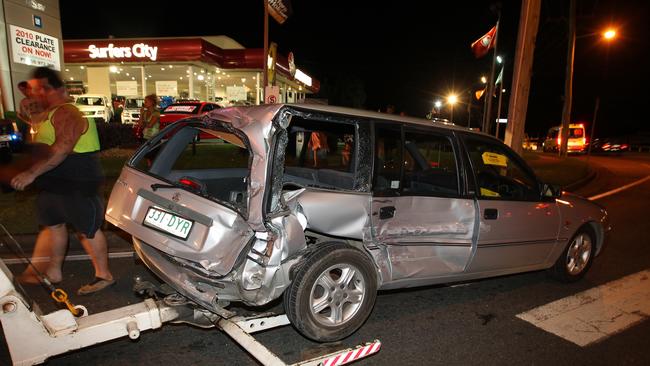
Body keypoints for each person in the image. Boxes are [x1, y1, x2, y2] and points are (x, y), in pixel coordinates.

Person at [11, 67, 114, 295]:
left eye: (44, 89)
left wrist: (31, 174)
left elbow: (62, 148)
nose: (38, 94)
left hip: (78, 181)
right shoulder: (49, 113)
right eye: (36, 90)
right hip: (54, 182)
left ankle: (104, 275)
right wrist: (29, 117)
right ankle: (54, 271)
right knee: (54, 225)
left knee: (88, 230)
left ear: (60, 89)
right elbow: (40, 143)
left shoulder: (68, 112)